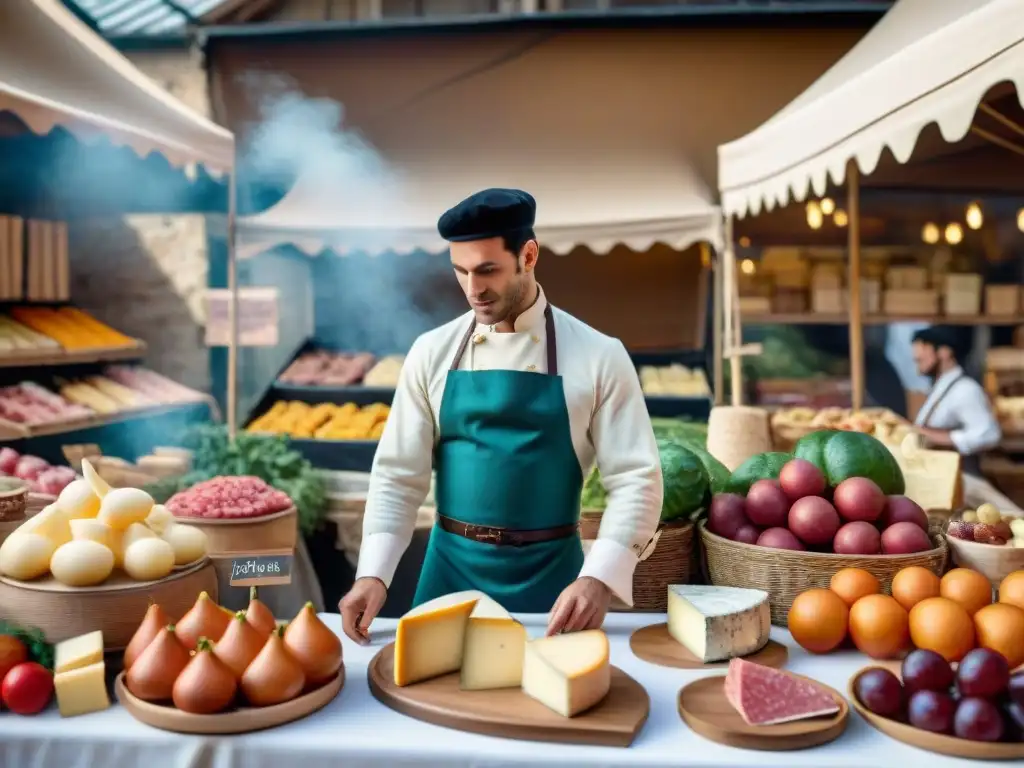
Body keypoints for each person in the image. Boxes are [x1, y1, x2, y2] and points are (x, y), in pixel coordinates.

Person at [338, 188, 662, 642]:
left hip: (555, 585)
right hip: (447, 576)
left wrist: (600, 578)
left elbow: (636, 478)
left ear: (529, 256)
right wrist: (372, 574)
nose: (474, 289)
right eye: (461, 272)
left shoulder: (599, 355)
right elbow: (397, 477)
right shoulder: (431, 352)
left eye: (488, 270)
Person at [911, 325, 1001, 477]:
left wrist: (940, 438)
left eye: (922, 357)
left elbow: (990, 434)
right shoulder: (939, 387)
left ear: (944, 352)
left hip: (963, 478)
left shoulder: (965, 389)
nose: (918, 364)